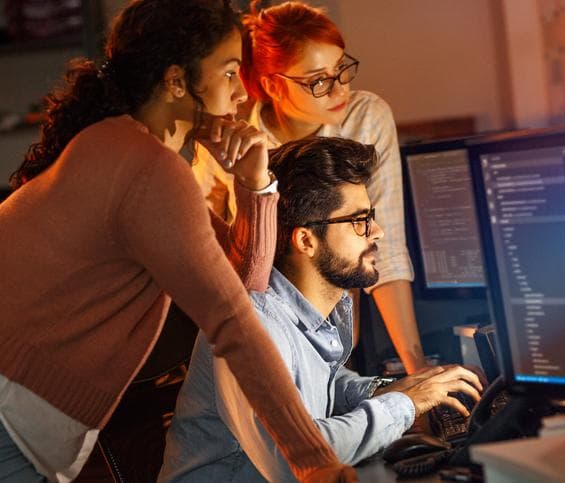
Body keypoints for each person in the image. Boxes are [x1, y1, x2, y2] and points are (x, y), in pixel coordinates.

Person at [0, 1, 353, 481]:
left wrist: (255, 183)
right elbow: (235, 321)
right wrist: (315, 459)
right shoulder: (148, 169)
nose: (240, 91)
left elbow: (243, 281)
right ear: (176, 82)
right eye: (230, 72)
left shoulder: (127, 149)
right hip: (9, 406)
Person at [160, 137, 483, 482]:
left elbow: (320, 381)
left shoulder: (318, 309)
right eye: (360, 221)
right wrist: (404, 406)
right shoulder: (253, 321)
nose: (378, 232)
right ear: (306, 241)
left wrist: (386, 390)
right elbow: (293, 460)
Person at [192, 0, 428, 374]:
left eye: (341, 70)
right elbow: (197, 241)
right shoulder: (234, 134)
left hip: (340, 325)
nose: (340, 89)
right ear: (272, 85)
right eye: (318, 80)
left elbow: (387, 248)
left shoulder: (365, 117)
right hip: (255, 325)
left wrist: (417, 367)